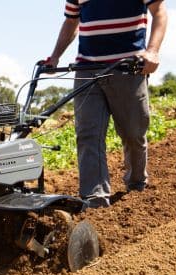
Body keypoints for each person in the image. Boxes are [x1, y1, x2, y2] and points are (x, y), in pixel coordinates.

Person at [46, 0, 167, 208]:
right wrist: (55, 57)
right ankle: (95, 198)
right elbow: (71, 22)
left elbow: (160, 12)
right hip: (87, 69)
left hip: (128, 67)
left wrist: (153, 50)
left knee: (133, 132)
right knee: (88, 134)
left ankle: (137, 185)